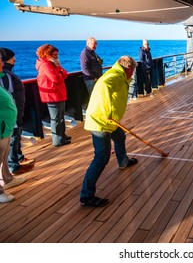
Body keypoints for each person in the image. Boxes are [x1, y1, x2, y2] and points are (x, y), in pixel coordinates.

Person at [80, 56, 138, 207]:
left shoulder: (118, 74)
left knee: (119, 137)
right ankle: (86, 196)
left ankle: (123, 161)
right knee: (101, 158)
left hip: (110, 121)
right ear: (129, 69)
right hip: (102, 121)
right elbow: (103, 85)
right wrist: (108, 113)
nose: (133, 74)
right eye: (133, 71)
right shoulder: (116, 76)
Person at [0, 48, 35, 174]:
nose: (14, 59)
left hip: (14, 115)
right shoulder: (6, 76)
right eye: (12, 58)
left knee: (15, 140)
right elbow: (9, 98)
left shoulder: (7, 74)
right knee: (13, 140)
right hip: (10, 118)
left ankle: (17, 159)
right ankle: (13, 166)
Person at [0, 54, 26, 203]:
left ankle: (7, 179)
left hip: (6, 127)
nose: (2, 62)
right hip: (1, 128)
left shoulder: (2, 76)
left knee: (3, 157)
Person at [36, 44, 71, 147]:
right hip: (52, 95)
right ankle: (57, 140)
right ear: (47, 54)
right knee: (55, 118)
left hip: (59, 93)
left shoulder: (54, 64)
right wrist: (61, 73)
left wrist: (60, 73)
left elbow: (65, 73)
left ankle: (62, 135)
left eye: (57, 55)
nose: (57, 56)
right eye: (54, 55)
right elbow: (56, 78)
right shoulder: (46, 65)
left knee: (60, 116)